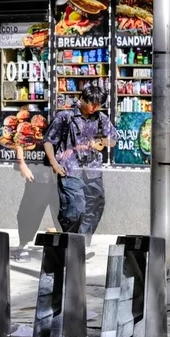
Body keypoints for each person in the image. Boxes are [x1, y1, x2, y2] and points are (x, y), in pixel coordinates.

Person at [43, 83, 116, 235]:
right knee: (75, 207)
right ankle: (69, 240)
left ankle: (81, 242)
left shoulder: (101, 118)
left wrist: (101, 142)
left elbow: (113, 138)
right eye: (92, 104)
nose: (95, 108)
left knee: (95, 206)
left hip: (92, 171)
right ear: (82, 99)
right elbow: (49, 141)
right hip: (70, 169)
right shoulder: (65, 116)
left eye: (98, 105)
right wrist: (54, 164)